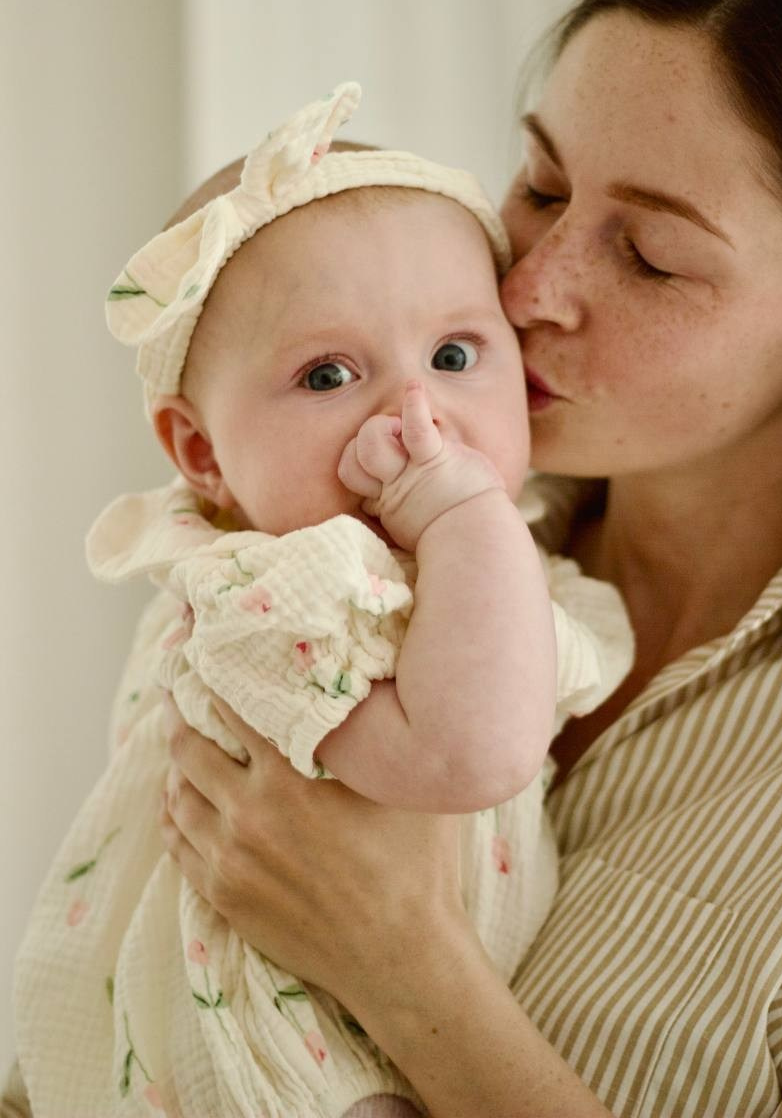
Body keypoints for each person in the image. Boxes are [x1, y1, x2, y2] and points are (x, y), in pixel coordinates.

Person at [146, 0, 782, 1118]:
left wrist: (404, 963)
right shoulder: (328, 545)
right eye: (539, 182)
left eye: (650, 257)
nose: (525, 287)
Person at [10, 86, 632, 1118]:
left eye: (454, 354)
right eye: (328, 372)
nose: (414, 412)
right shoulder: (284, 584)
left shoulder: (447, 564)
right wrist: (466, 513)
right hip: (286, 1062)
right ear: (202, 452)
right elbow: (470, 751)